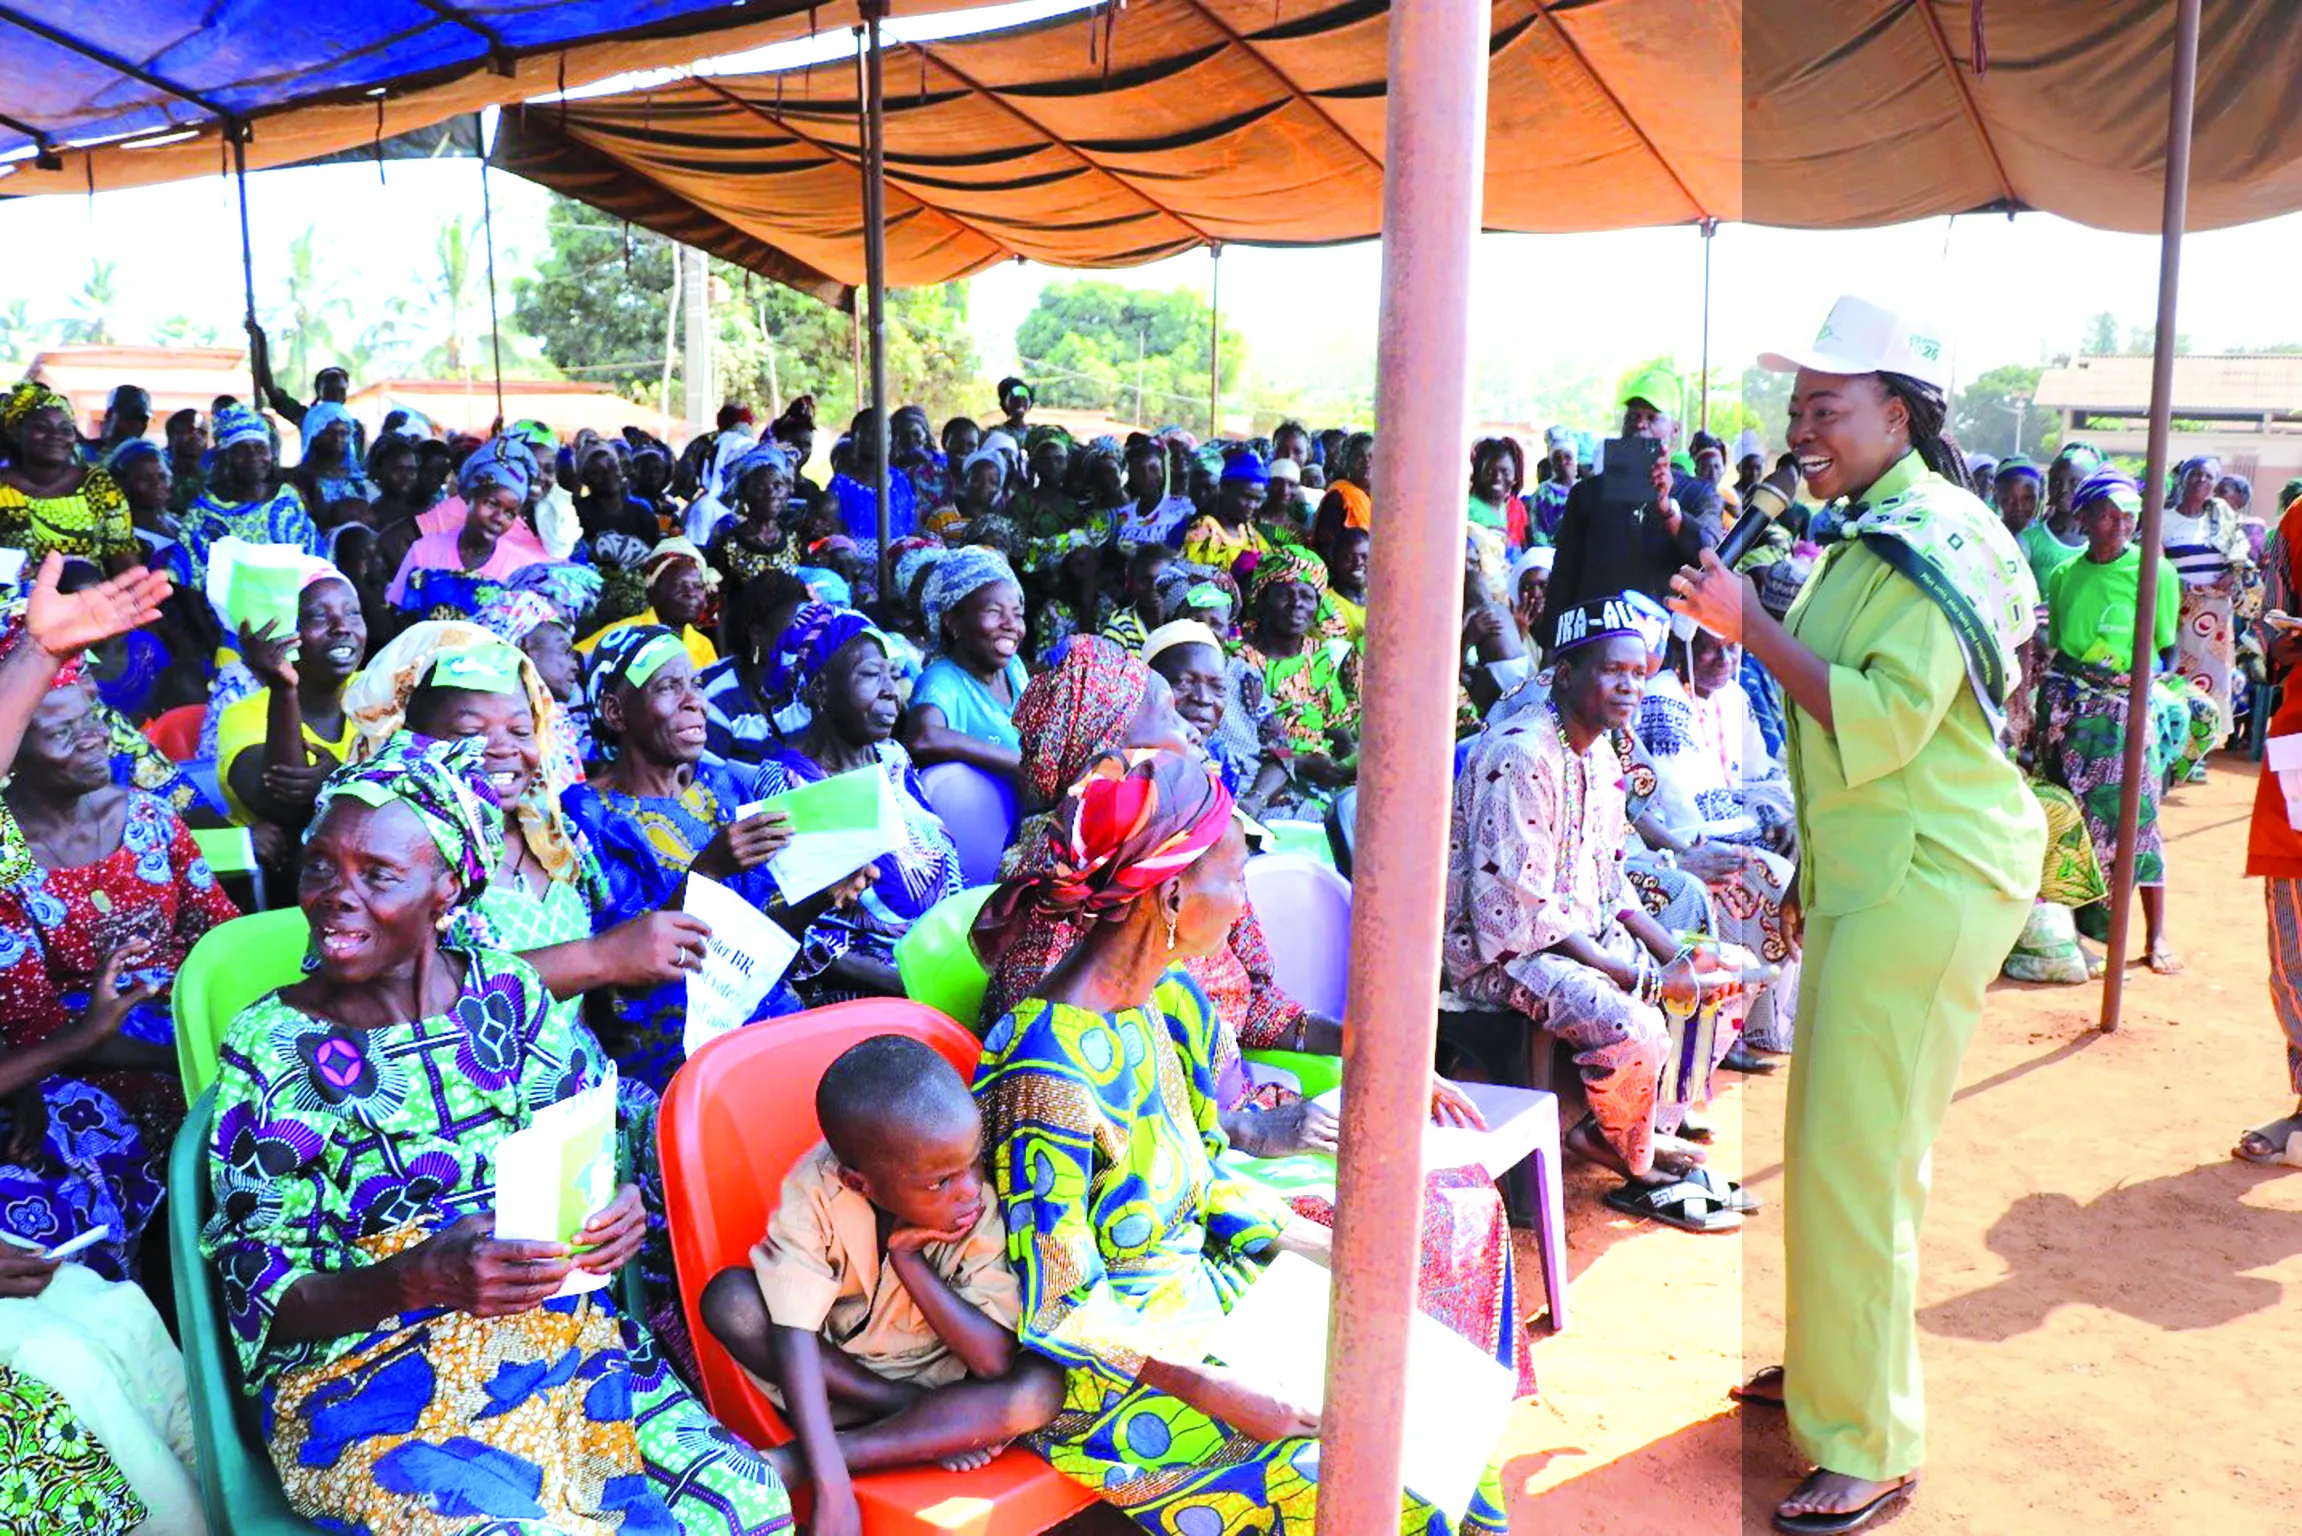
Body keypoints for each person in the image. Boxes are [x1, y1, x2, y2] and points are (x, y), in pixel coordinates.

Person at [199, 733, 792, 1534]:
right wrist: (416, 1280)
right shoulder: (272, 1049)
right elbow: (255, 1290)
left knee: (748, 1502)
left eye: (378, 874)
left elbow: (588, 1145)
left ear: (447, 888)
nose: (334, 895)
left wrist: (618, 1207)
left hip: (563, 1340)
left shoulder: (505, 994)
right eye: (319, 866)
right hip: (367, 1378)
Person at [1668, 295, 2046, 1533]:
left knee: (1862, 1162)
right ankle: (1834, 1374)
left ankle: (1870, 1439)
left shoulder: (1918, 541)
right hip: (1879, 869)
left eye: (1826, 411)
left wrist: (1749, 627)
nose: (1802, 433)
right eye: (1795, 413)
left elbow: (1875, 718)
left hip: (1927, 875)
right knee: (1833, 1147)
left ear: (1899, 412)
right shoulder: (1896, 524)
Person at [974, 747, 1508, 1536]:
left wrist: (1333, 1253)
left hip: (1211, 1303)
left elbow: (1210, 1173)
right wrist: (1219, 1392)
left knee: (1440, 1404)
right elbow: (1063, 1305)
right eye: (1234, 878)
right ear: (1171, 892)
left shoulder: (1162, 1008)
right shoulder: (1041, 1067)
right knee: (1362, 1476)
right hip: (1121, 1378)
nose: (1241, 901)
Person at [1443, 595, 1728, 1219]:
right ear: (1566, 674)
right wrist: (1640, 976)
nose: (1630, 688)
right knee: (1638, 1021)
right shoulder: (1521, 754)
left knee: (1720, 979)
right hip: (1498, 955)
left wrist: (1676, 951)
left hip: (1577, 939)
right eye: (1612, 672)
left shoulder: (1599, 754)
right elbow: (1515, 915)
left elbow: (1611, 882)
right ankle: (1616, 1144)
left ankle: (1642, 1124)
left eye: (1637, 674)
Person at [697, 1036, 1063, 1514]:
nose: (969, 1187)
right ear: (858, 1183)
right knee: (730, 1300)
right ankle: (911, 1422)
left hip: (957, 1387)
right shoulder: (817, 1188)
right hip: (844, 1382)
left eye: (973, 1161)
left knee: (1040, 1390)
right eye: (940, 1182)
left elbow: (994, 1361)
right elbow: (794, 1331)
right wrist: (836, 1499)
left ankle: (811, 1459)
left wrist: (910, 1262)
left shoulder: (974, 1202)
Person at [0, 655, 238, 1173]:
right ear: (10, 750)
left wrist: (213, 1045)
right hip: (74, 1053)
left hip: (187, 1020)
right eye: (62, 732)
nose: (93, 738)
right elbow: (30, 1025)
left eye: (91, 718)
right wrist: (177, 1064)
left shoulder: (148, 816)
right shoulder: (5, 849)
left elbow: (222, 942)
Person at [560, 626, 825, 1091]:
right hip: (674, 1061)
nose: (695, 702)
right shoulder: (584, 816)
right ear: (615, 712)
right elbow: (620, 981)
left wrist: (825, 890)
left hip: (764, 1023)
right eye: (668, 686)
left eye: (697, 685)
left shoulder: (725, 790)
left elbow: (766, 936)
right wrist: (708, 871)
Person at [745, 607, 963, 1003]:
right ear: (820, 690)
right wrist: (910, 986)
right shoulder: (787, 781)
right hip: (868, 997)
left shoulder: (893, 757)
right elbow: (796, 932)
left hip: (941, 966)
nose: (889, 691)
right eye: (869, 675)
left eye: (893, 676)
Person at [2037, 467, 2183, 973]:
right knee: (2069, 817)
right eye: (2107, 516)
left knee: (2136, 817)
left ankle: (2156, 933)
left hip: (2124, 709)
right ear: (2083, 518)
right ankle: (2073, 934)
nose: (2119, 525)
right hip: (2068, 710)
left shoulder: (2155, 572)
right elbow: (2057, 646)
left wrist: (2133, 681)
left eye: (2128, 517)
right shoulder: (2064, 576)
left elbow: (2167, 650)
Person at [1547, 366, 1722, 618]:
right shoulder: (1587, 494)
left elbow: (1709, 558)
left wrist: (1667, 508)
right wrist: (1553, 650)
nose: (1639, 424)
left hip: (1663, 646)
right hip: (1597, 642)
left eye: (1652, 417)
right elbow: (1564, 576)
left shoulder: (1699, 494)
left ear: (1675, 429)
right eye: (1632, 416)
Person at [2240, 478, 2302, 1166]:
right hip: (2299, 747)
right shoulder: (2297, 523)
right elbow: (2269, 644)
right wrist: (2281, 645)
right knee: (2294, 936)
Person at [216, 558, 367, 832]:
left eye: (353, 613)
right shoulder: (242, 717)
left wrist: (339, 776)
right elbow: (287, 812)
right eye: (318, 616)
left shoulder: (383, 691)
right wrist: (283, 689)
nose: (341, 626)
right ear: (279, 632)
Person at [1234, 547, 1358, 805]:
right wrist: (1299, 764)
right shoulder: (1239, 659)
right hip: (1260, 780)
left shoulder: (1317, 654)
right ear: (1263, 596)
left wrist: (1346, 764)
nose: (1297, 603)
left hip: (1323, 775)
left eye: (1307, 596)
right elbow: (1240, 739)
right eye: (1285, 593)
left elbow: (1338, 726)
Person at [901, 548, 1028, 777]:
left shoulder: (1014, 669)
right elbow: (923, 738)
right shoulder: (942, 679)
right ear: (952, 622)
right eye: (994, 611)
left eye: (1017, 614)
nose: (1011, 624)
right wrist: (1020, 764)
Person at [384, 436, 544, 612]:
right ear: (468, 498)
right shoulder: (424, 552)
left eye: (510, 513)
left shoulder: (518, 570)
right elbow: (398, 613)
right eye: (492, 504)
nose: (499, 518)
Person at [2161, 452, 2253, 752]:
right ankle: (2176, 746)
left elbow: (2239, 551)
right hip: (2177, 610)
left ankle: (2199, 751)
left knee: (2213, 682)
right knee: (2177, 676)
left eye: (2209, 476)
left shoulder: (2221, 515)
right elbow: (2156, 564)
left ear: (2214, 483)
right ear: (2183, 477)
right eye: (2195, 474)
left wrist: (2231, 572)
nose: (2202, 480)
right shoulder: (2165, 519)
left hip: (2215, 616)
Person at [1144, 622, 1287, 815]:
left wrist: (1256, 800)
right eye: (1184, 682)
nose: (1203, 698)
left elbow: (1285, 753)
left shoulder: (1218, 752)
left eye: (1218, 687)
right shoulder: (1136, 762)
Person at [182, 405, 323, 588]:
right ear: (226, 457)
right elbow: (190, 585)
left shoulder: (286, 499)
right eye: (242, 449)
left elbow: (314, 560)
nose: (254, 456)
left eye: (260, 447)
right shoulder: (204, 511)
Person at [0, 382, 136, 569]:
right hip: (18, 597)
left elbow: (122, 553)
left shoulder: (97, 484)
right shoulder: (3, 488)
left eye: (65, 429)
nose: (56, 435)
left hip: (92, 594)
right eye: (42, 427)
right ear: (15, 433)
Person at [699, 571, 819, 766]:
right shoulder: (715, 694)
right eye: (794, 633)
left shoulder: (811, 684)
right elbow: (708, 788)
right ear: (757, 636)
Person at [579, 538, 722, 670]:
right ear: (652, 592)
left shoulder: (702, 646)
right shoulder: (624, 634)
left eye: (698, 586)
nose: (691, 593)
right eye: (679, 585)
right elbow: (574, 662)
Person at [829, 409, 918, 569]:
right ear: (855, 437)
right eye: (871, 432)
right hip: (858, 564)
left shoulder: (900, 479)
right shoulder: (841, 485)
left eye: (887, 433)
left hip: (902, 562)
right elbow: (835, 534)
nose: (881, 438)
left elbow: (911, 526)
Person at [706, 443, 800, 588]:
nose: (771, 494)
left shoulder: (795, 539)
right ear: (743, 494)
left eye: (777, 485)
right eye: (760, 487)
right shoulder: (726, 546)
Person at [1178, 452, 1274, 568]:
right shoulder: (1203, 531)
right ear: (1223, 489)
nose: (1252, 505)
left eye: (1258, 499)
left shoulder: (1252, 536)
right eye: (1247, 497)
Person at [1116, 437, 1196, 548]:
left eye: (1153, 469)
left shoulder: (1183, 509)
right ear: (1130, 475)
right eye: (1139, 470)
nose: (1146, 475)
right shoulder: (1120, 514)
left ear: (1162, 473)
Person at [1468, 437, 1528, 551]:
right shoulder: (1469, 509)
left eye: (1505, 471)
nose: (1497, 477)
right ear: (1478, 473)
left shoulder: (1501, 507)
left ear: (1515, 477)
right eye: (1490, 471)